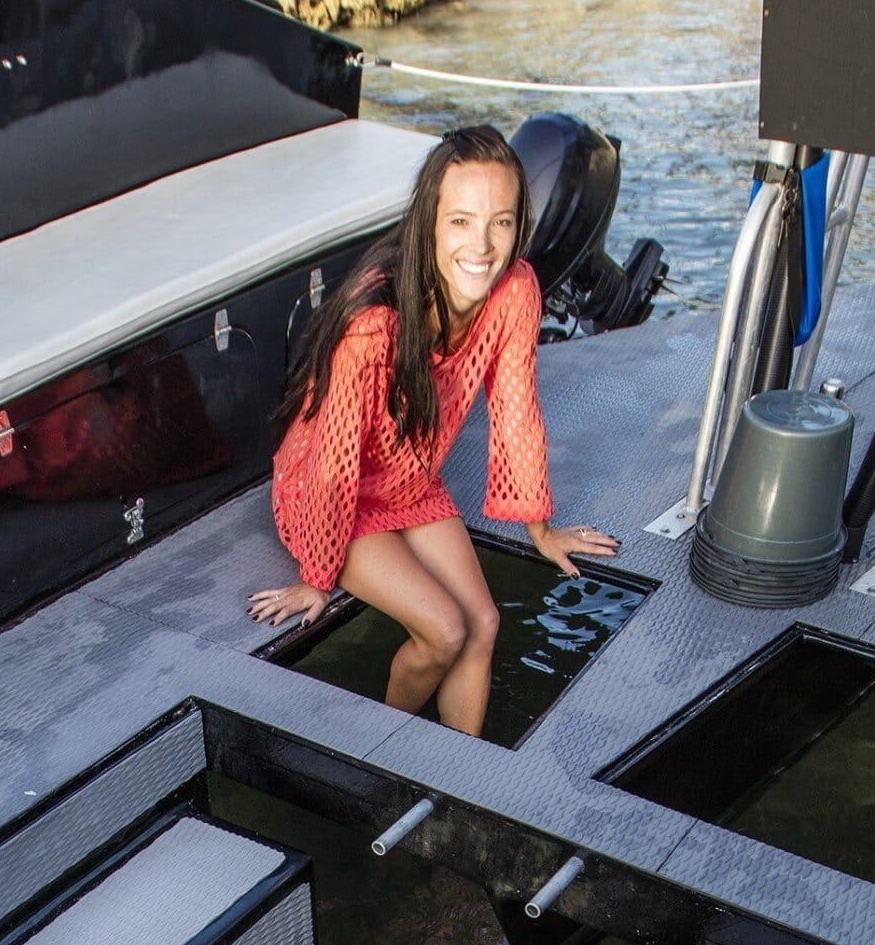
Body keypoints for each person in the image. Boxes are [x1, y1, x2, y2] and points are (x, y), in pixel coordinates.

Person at [248, 124, 617, 736]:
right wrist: (316, 577)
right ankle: (385, 752)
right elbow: (333, 461)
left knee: (485, 624)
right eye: (462, 221)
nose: (482, 244)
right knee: (444, 630)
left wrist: (539, 530)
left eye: (501, 221)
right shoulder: (376, 321)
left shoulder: (516, 288)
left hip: (411, 482)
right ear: (431, 222)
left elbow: (516, 406)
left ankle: (454, 781)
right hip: (328, 494)